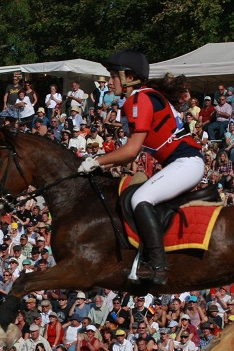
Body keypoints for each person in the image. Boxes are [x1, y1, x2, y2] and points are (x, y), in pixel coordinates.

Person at [78, 50, 203, 286]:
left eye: (114, 76)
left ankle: (158, 265)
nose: (110, 81)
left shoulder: (140, 98)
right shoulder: (141, 97)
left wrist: (96, 160)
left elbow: (131, 150)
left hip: (186, 162)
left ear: (129, 77)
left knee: (141, 198)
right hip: (181, 162)